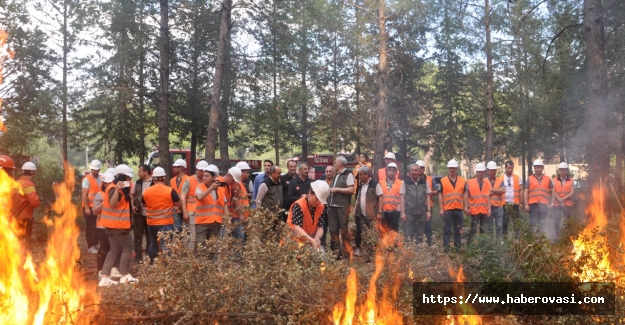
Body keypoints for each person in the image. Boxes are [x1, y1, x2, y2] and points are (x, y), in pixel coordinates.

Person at [98, 164, 139, 287]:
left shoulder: (119, 188)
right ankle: (124, 275)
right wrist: (117, 189)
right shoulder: (113, 188)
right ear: (122, 176)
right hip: (117, 226)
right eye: (128, 177)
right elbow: (113, 204)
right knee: (127, 247)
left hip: (114, 225)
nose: (129, 180)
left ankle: (105, 277)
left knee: (114, 250)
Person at [142, 167, 180, 263]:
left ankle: (153, 264)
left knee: (153, 244)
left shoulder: (146, 191)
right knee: (165, 245)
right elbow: (178, 204)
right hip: (166, 223)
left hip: (151, 223)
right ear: (165, 178)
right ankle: (166, 268)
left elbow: (144, 204)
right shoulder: (170, 191)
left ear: (154, 179)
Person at [92, 172, 121, 280]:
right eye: (107, 183)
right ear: (103, 183)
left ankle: (114, 268)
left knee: (115, 248)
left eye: (110, 183)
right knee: (104, 247)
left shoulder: (117, 193)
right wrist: (104, 203)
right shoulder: (100, 195)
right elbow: (94, 211)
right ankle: (101, 270)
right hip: (102, 226)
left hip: (114, 225)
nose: (109, 185)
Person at [286, 181, 330, 249]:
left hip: (307, 243)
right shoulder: (299, 205)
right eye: (317, 199)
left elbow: (320, 227)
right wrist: (312, 241)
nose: (318, 202)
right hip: (293, 243)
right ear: (310, 193)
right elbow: (297, 228)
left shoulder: (321, 207)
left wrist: (316, 238)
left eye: (320, 200)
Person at [327, 156, 354, 258]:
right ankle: (336, 253)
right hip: (332, 206)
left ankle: (347, 253)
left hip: (342, 206)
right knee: (333, 230)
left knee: (343, 230)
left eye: (335, 162)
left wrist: (336, 189)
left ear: (340, 164)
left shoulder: (348, 174)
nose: (334, 163)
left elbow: (350, 190)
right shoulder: (335, 175)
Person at [11, 162, 40, 254]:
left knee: (14, 244)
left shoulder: (15, 184)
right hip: (24, 219)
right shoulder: (28, 185)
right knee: (24, 245)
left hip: (12, 219)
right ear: (33, 172)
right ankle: (22, 265)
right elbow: (35, 203)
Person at [438, 159, 467, 252]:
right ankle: (446, 250)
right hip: (447, 209)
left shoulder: (463, 181)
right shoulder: (443, 181)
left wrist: (466, 207)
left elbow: (465, 194)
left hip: (459, 209)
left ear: (457, 169)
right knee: (447, 230)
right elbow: (440, 195)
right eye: (450, 168)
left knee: (458, 230)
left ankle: (457, 250)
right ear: (448, 169)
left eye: (454, 168)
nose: (452, 170)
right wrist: (441, 208)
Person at [353, 165, 383, 256]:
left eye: (361, 175)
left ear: (367, 175)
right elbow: (358, 199)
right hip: (362, 214)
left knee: (373, 233)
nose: (359, 176)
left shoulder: (375, 184)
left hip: (372, 214)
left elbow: (381, 198)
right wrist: (355, 210)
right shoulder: (361, 185)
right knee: (365, 233)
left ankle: (375, 253)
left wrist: (379, 212)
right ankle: (368, 253)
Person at [195, 164, 227, 245]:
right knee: (200, 244)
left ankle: (210, 258)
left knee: (212, 245)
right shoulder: (199, 187)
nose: (204, 178)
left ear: (213, 178)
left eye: (207, 176)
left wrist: (227, 218)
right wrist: (211, 188)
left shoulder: (220, 190)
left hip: (215, 222)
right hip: (202, 222)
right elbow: (200, 197)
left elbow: (224, 204)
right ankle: (199, 258)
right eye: (204, 176)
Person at [400, 163, 432, 244]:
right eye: (412, 170)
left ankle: (418, 255)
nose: (414, 172)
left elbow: (428, 197)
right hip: (409, 213)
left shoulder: (425, 182)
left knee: (420, 236)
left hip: (421, 213)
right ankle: (408, 254)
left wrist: (428, 211)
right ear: (410, 171)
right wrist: (403, 213)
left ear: (419, 171)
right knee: (408, 236)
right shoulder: (405, 182)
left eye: (416, 170)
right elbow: (402, 198)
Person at [181, 160, 208, 250]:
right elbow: (183, 196)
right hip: (192, 213)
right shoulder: (189, 180)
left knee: (201, 238)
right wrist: (184, 212)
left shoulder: (208, 182)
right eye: (201, 170)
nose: (203, 173)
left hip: (204, 215)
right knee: (193, 238)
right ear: (197, 170)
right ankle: (190, 258)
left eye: (205, 171)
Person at [130, 164, 153, 263]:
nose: (138, 173)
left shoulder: (154, 182)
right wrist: (132, 205)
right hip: (138, 213)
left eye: (140, 171)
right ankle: (138, 256)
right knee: (138, 235)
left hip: (150, 214)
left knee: (150, 236)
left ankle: (149, 255)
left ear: (146, 172)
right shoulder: (138, 183)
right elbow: (132, 194)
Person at [524, 159, 553, 234]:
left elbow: (552, 192)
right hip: (533, 205)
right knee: (532, 223)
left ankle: (540, 241)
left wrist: (551, 203)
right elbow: (526, 192)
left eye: (538, 167)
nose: (536, 169)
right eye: (535, 167)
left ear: (542, 168)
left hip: (544, 205)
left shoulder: (548, 179)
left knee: (542, 224)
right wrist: (526, 205)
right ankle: (531, 241)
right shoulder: (530, 178)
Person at [466, 163, 491, 245]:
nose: (480, 174)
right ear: (476, 172)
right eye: (478, 172)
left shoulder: (487, 183)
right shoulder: (470, 182)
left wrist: (489, 209)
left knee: (483, 230)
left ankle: (482, 247)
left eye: (481, 172)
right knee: (473, 229)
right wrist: (467, 207)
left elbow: (488, 197)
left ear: (484, 173)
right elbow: (466, 195)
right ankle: (469, 246)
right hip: (474, 210)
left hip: (484, 210)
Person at [82, 159, 102, 254]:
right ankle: (90, 245)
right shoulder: (87, 179)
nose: (94, 171)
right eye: (93, 170)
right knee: (90, 227)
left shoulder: (100, 178)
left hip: (97, 207)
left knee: (97, 226)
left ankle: (96, 243)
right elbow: (84, 195)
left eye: (96, 170)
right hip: (89, 207)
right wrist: (86, 207)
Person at [224, 167, 249, 239]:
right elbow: (235, 200)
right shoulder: (236, 185)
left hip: (235, 215)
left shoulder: (236, 184)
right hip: (236, 215)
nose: (248, 174)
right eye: (247, 172)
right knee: (239, 237)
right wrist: (241, 214)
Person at [417, 160, 436, 245]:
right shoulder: (413, 179)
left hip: (428, 206)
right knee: (417, 226)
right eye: (418, 168)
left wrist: (428, 192)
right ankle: (418, 244)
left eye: (421, 168)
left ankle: (429, 244)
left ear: (424, 169)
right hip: (416, 207)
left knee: (428, 226)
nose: (420, 170)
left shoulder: (430, 179)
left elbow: (437, 191)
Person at [380, 162, 403, 234]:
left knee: (394, 231)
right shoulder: (380, 183)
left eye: (393, 171)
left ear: (396, 172)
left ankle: (394, 245)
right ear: (386, 171)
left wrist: (400, 206)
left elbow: (404, 196)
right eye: (389, 170)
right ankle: (384, 245)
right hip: (384, 211)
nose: (391, 172)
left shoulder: (401, 183)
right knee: (383, 231)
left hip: (395, 211)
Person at [553, 162, 574, 239]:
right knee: (556, 221)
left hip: (567, 204)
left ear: (567, 170)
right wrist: (559, 199)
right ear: (559, 170)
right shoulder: (554, 180)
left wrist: (563, 199)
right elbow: (553, 191)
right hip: (556, 204)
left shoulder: (571, 180)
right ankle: (556, 236)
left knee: (568, 221)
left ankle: (568, 237)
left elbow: (572, 192)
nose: (563, 171)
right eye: (561, 170)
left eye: (564, 170)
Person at [502, 160, 523, 237]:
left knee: (516, 222)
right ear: (505, 168)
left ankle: (517, 239)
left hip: (515, 203)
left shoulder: (517, 178)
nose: (510, 170)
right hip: (505, 204)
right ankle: (504, 239)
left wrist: (521, 202)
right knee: (504, 222)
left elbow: (521, 190)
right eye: (509, 168)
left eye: (512, 168)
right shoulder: (501, 178)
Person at [486, 161, 505, 239]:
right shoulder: (484, 181)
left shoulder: (500, 180)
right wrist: (497, 190)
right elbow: (485, 193)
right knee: (490, 227)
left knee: (499, 226)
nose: (493, 172)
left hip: (499, 207)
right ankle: (490, 243)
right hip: (489, 207)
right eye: (491, 170)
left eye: (494, 170)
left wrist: (492, 190)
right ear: (487, 170)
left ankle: (499, 243)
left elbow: (503, 190)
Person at [170, 159, 189, 231]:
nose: (173, 169)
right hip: (176, 209)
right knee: (177, 230)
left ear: (181, 168)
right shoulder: (172, 180)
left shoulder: (188, 179)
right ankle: (179, 243)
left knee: (187, 230)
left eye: (175, 167)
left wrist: (179, 206)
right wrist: (176, 207)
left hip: (186, 208)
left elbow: (187, 196)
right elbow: (171, 195)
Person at [320, 165, 335, 250]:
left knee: (333, 229)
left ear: (334, 173)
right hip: (322, 208)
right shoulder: (321, 183)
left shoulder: (336, 182)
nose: (328, 173)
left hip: (334, 209)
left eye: (330, 171)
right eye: (327, 171)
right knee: (322, 227)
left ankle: (334, 247)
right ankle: (322, 245)